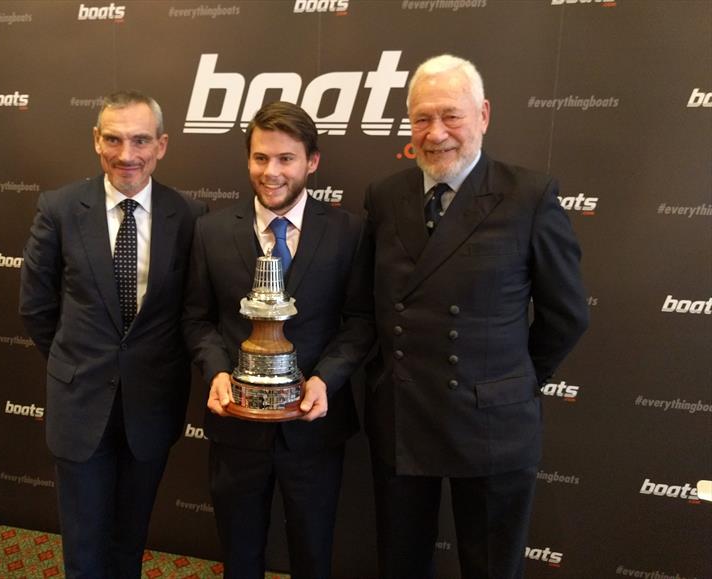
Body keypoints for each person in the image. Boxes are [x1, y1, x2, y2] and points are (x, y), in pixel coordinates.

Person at [363, 54, 589, 578]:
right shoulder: (385, 194)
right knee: (400, 562)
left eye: (451, 115)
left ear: (483, 114)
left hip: (494, 421)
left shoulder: (529, 196)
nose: (436, 133)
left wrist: (515, 378)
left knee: (491, 567)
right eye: (422, 118)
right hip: (403, 413)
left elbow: (567, 313)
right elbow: (365, 302)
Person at [182, 101, 374, 579]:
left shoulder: (349, 232)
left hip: (314, 429)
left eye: (286, 158)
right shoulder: (209, 231)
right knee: (240, 558)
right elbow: (196, 320)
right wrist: (217, 371)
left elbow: (360, 322)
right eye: (260, 158)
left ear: (312, 161)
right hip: (236, 427)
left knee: (312, 555)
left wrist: (326, 379)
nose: (271, 172)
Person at [19, 91, 205, 578]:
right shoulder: (58, 209)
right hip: (79, 404)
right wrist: (77, 363)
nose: (127, 154)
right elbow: (37, 308)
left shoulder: (188, 215)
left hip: (152, 406)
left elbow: (192, 311)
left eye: (141, 140)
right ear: (96, 142)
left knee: (129, 541)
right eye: (115, 139)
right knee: (84, 548)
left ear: (161, 146)